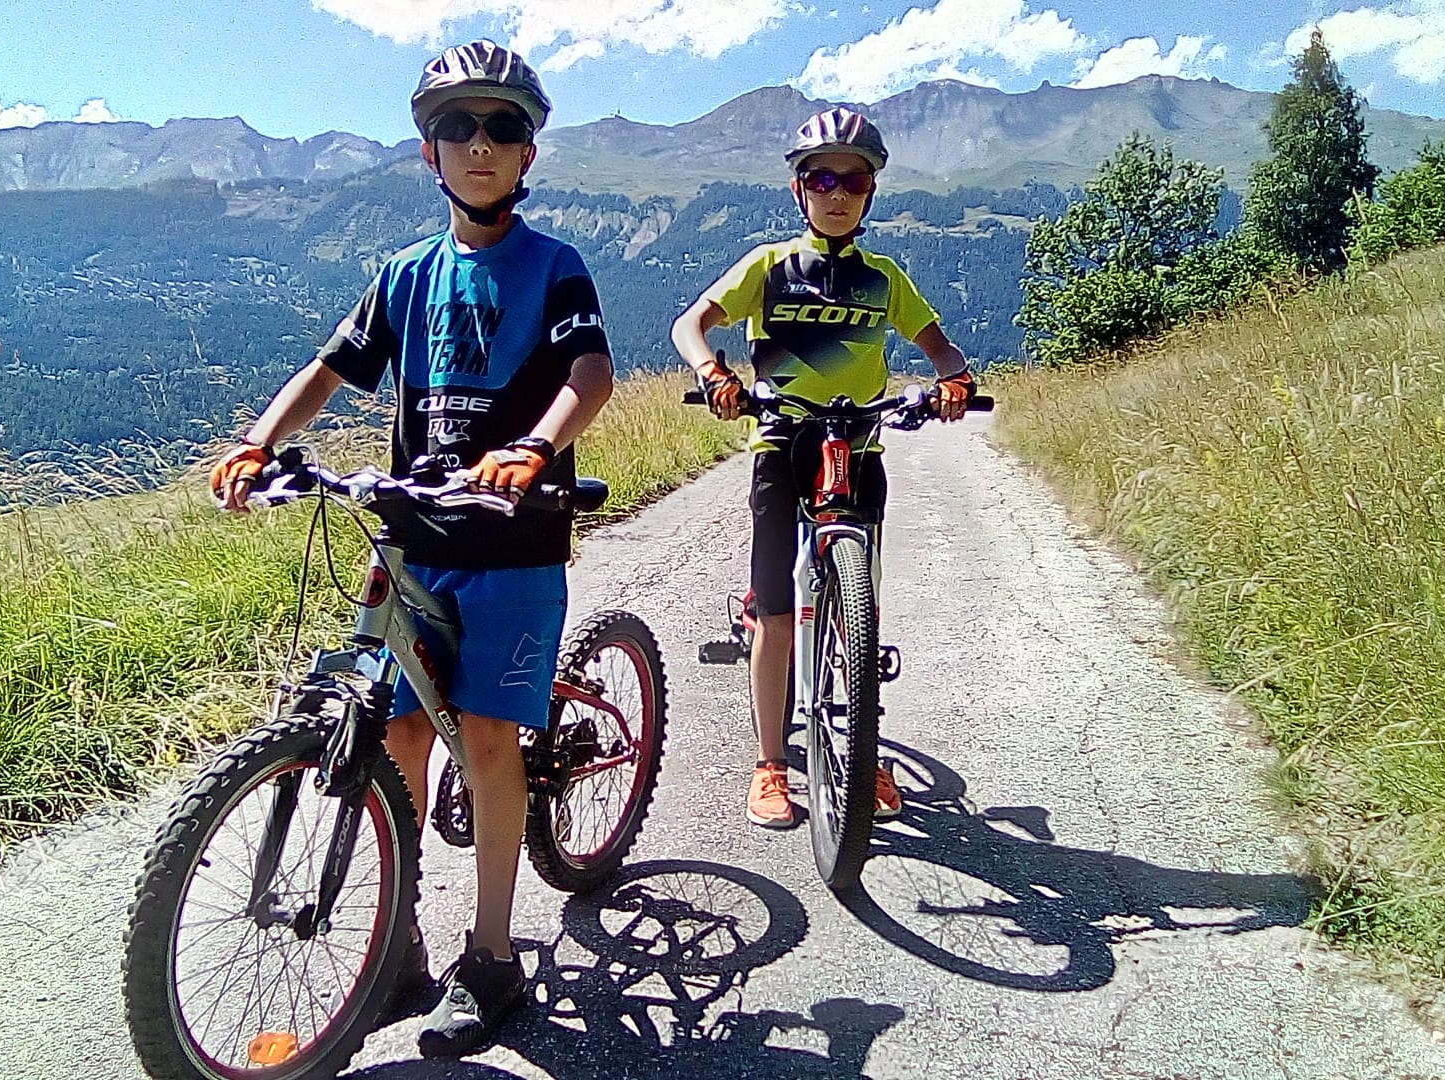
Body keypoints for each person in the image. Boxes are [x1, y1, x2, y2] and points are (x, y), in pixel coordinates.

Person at [209, 39, 613, 1057]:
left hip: (514, 543)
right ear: (429, 152)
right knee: (396, 740)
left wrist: (533, 447)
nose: (480, 144)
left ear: (527, 153)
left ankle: (494, 958)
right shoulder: (404, 274)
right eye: (456, 128)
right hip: (413, 540)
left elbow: (591, 375)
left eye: (502, 127)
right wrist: (261, 441)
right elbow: (329, 370)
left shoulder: (554, 266)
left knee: (488, 740)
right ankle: (401, 946)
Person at [669, 107, 975, 830]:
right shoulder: (769, 266)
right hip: (782, 445)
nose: (837, 193)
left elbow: (941, 349)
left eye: (854, 180)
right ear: (799, 190)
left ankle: (861, 750)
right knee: (777, 610)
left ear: (871, 192)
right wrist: (714, 373)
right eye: (821, 179)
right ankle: (771, 765)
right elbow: (690, 324)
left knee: (859, 608)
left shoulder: (884, 278)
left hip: (858, 447)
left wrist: (954, 381)